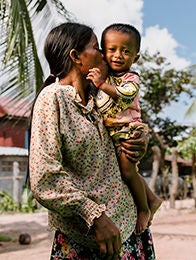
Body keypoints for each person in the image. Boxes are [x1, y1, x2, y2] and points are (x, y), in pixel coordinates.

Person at [29, 22, 155, 259]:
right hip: (89, 238)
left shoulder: (99, 96)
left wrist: (141, 138)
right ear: (76, 57)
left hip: (129, 228)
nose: (104, 54)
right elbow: (45, 177)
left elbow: (127, 124)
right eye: (97, 47)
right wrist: (94, 216)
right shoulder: (52, 99)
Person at [87, 23, 162, 234]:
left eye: (126, 51)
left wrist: (102, 84)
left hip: (130, 130)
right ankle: (153, 198)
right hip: (115, 132)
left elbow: (125, 95)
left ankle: (145, 208)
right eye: (112, 49)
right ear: (102, 53)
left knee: (128, 170)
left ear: (135, 58)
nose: (118, 55)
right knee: (127, 170)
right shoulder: (105, 74)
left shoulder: (131, 78)